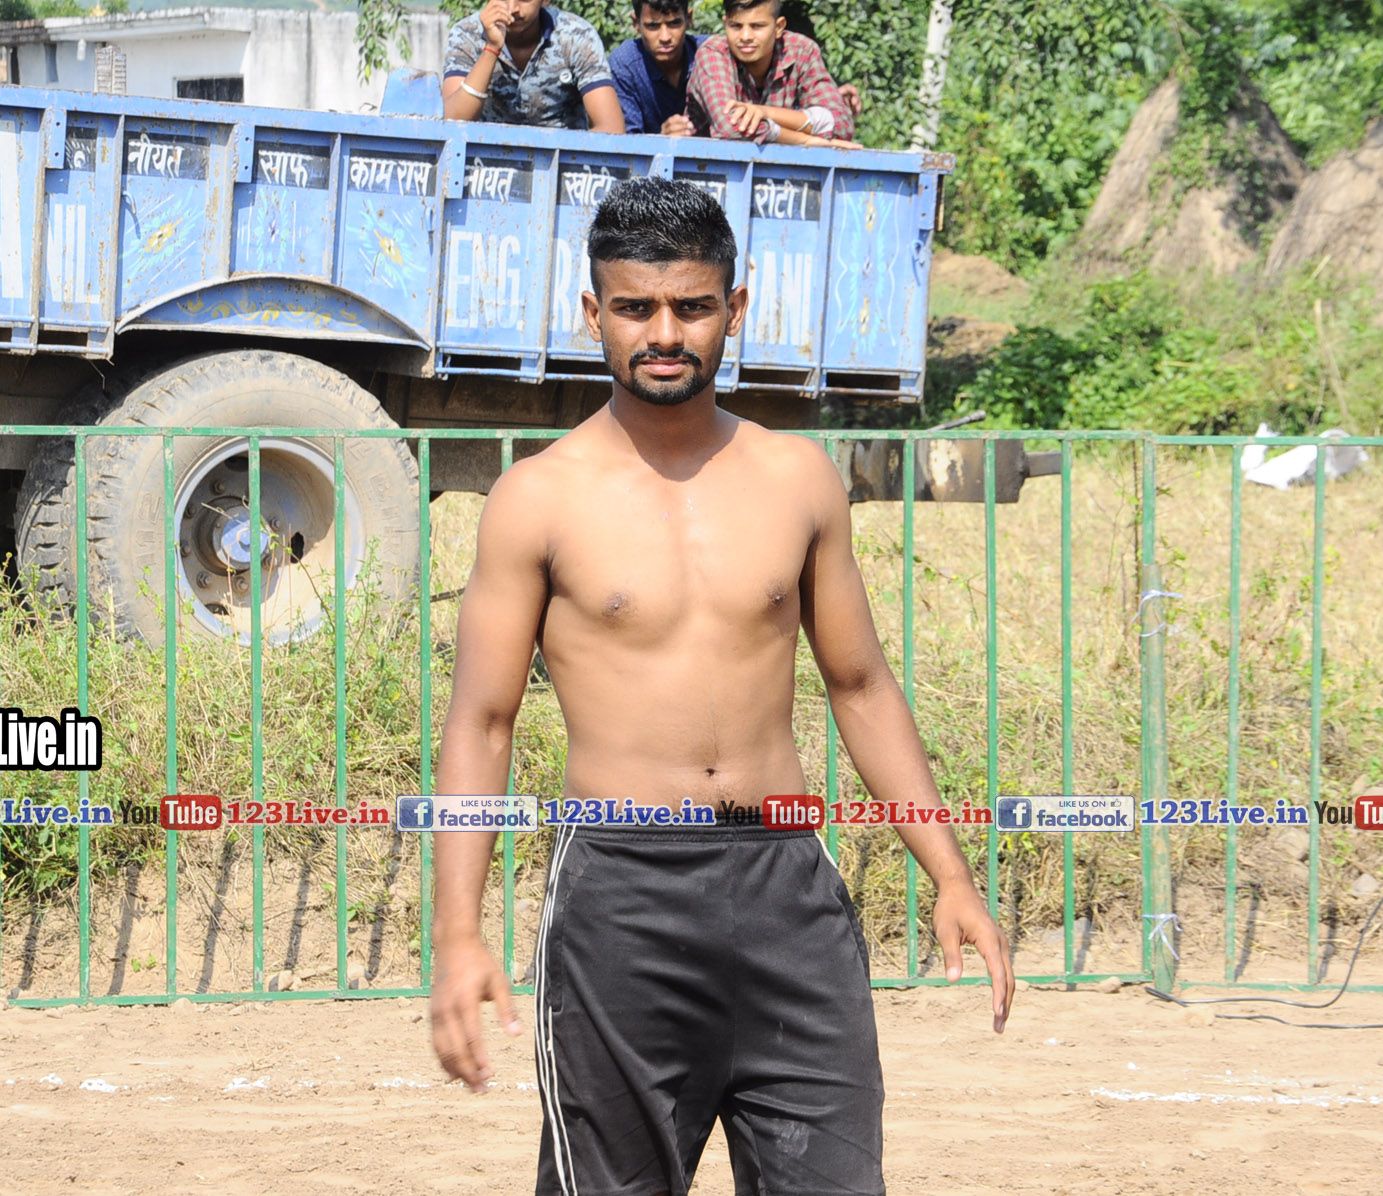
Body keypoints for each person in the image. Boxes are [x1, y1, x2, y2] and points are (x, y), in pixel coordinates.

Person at [427, 177, 1014, 1196]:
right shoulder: (537, 498)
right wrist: (457, 933)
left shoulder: (797, 479)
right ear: (593, 314)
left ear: (734, 309)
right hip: (621, 896)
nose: (665, 334)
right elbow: (481, 722)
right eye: (635, 308)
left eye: (692, 307)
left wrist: (951, 876)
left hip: (787, 888)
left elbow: (862, 686)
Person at [685, 0, 858, 148]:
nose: (745, 36)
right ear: (725, 24)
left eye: (757, 26)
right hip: (706, 169)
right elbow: (729, 127)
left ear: (778, 27)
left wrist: (764, 112)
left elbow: (842, 125)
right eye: (736, 26)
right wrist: (803, 140)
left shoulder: (802, 51)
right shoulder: (713, 53)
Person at [442, 0, 625, 133]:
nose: (512, 8)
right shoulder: (466, 34)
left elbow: (611, 129)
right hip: (485, 166)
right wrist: (491, 48)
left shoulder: (576, 35)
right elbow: (452, 123)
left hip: (562, 164)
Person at [607, 0, 706, 136]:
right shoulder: (624, 65)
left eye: (674, 23)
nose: (665, 37)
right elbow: (626, 141)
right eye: (653, 26)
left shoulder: (710, 54)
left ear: (688, 20)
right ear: (636, 23)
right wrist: (661, 140)